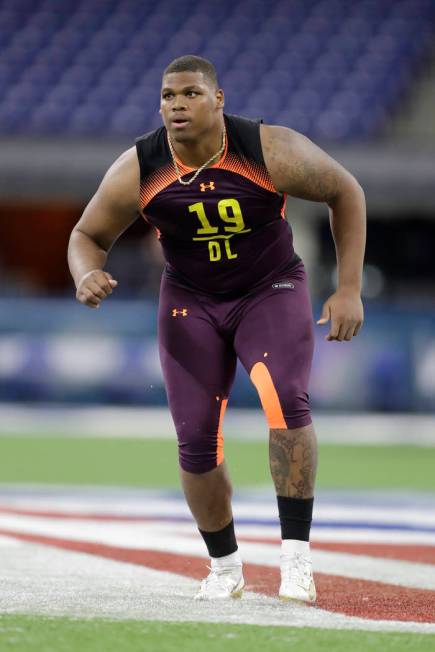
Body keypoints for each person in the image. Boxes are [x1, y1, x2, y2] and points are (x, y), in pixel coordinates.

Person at [68, 55, 365, 602]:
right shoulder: (142, 165)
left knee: (285, 403)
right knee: (196, 439)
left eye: (190, 93)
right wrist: (86, 273)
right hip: (190, 300)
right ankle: (224, 566)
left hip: (268, 289)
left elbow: (345, 190)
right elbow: (86, 234)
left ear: (219, 99)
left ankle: (296, 558)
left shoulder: (265, 148)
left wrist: (348, 287)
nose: (177, 105)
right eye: (167, 95)